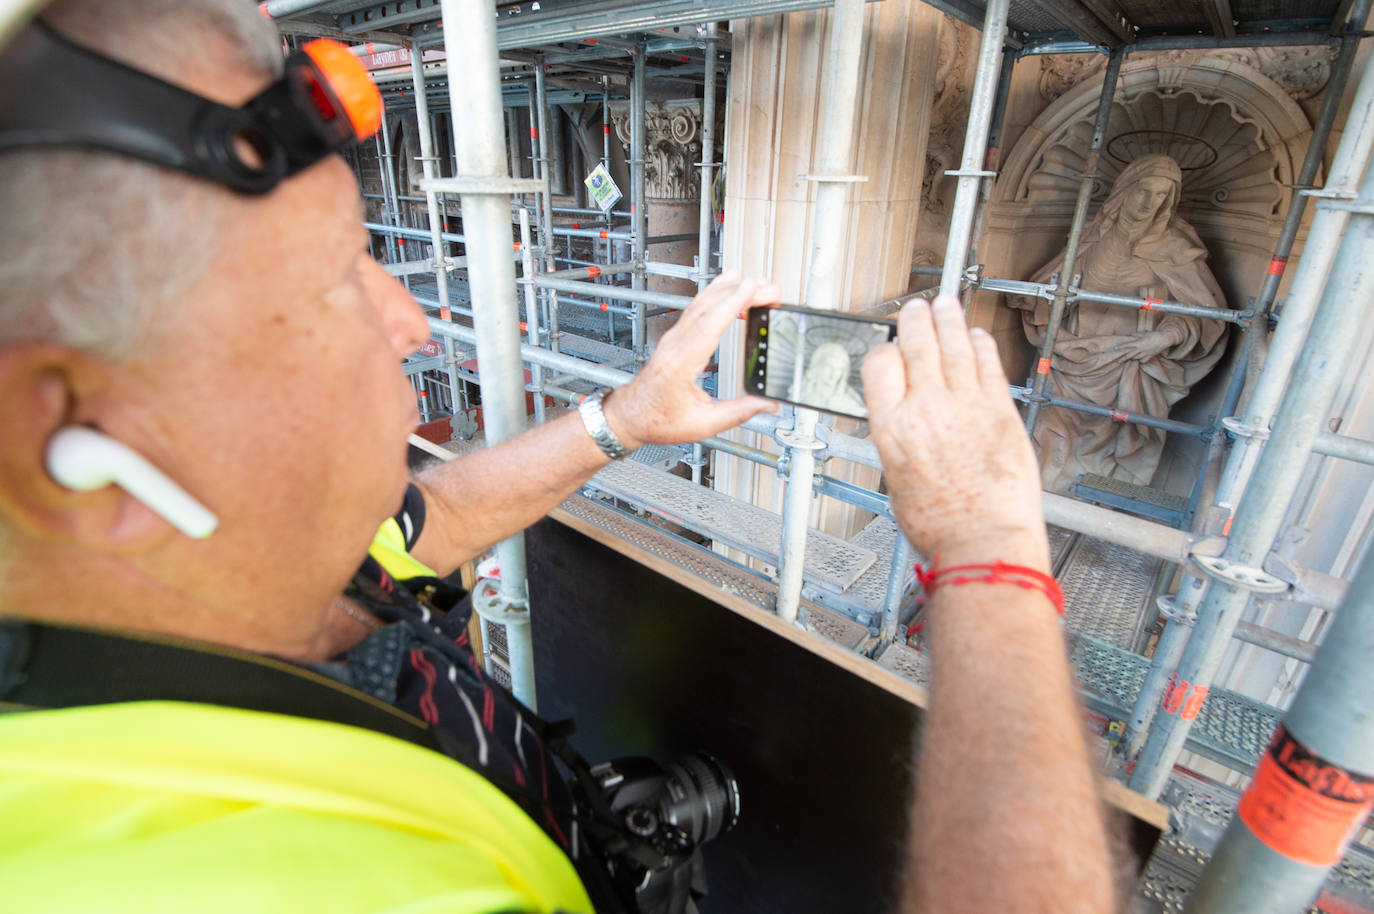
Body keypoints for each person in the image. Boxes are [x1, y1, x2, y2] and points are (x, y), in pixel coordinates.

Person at [0, 2, 1114, 912]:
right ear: (72, 441)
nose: (414, 320)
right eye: (337, 275)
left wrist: (623, 417)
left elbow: (414, 531)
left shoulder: (216, 543)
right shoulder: (264, 881)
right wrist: (988, 546)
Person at [1009, 153, 1230, 492]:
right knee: (1052, 423)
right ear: (1126, 188)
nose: (1149, 202)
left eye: (1160, 195)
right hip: (1070, 354)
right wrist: (1033, 295)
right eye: (1144, 191)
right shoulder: (1092, 234)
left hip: (1130, 361)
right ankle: (1049, 485)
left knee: (1117, 432)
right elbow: (1058, 280)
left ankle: (1097, 494)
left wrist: (1165, 337)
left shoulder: (1175, 247)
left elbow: (1204, 312)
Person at [792, 341, 867, 416]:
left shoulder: (847, 402)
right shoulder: (801, 393)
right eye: (829, 367)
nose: (833, 374)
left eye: (839, 369)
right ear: (818, 365)